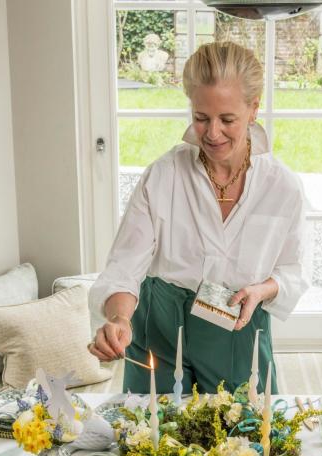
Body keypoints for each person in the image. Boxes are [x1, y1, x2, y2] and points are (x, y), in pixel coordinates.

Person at [88, 41, 307, 395]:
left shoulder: (283, 187)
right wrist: (118, 318)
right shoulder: (163, 175)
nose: (212, 133)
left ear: (254, 108)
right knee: (149, 439)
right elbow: (125, 267)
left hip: (237, 327)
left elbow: (293, 271)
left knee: (249, 441)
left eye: (227, 119)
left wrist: (262, 289)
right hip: (158, 324)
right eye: (201, 117)